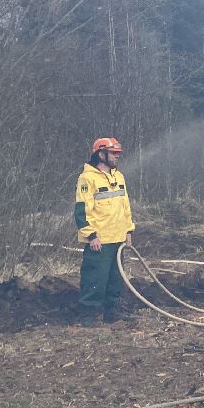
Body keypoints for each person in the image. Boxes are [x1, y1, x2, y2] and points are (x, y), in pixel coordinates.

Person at [75, 137, 135, 325]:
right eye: (113, 153)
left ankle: (112, 313)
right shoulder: (87, 178)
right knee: (95, 278)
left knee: (115, 279)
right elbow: (83, 210)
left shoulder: (119, 176)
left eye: (118, 154)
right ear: (101, 154)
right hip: (99, 241)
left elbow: (125, 206)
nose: (117, 157)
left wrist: (128, 230)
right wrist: (91, 235)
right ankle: (89, 315)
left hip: (118, 238)